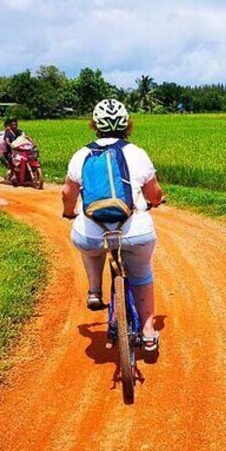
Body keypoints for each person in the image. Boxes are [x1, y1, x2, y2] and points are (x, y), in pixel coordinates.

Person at [61, 99, 165, 350]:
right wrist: (157, 201)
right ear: (127, 124)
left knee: (89, 247)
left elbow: (67, 194)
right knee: (141, 273)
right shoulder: (136, 153)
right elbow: (154, 193)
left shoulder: (81, 155)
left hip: (92, 233)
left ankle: (95, 290)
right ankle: (148, 331)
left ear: (94, 124)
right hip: (134, 232)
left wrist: (69, 213)